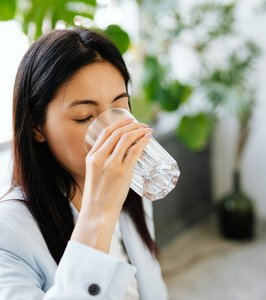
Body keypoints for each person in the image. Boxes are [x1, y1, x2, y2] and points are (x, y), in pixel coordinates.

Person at [0, 27, 168, 299]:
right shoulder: (8, 236)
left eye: (120, 107)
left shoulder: (133, 192)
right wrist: (99, 212)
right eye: (84, 116)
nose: (111, 130)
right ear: (36, 126)